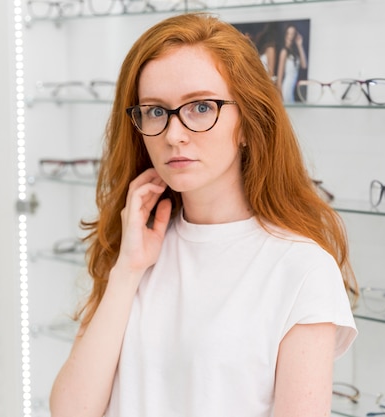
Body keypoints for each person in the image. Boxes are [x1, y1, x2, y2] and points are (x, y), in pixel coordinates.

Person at [49, 13, 357, 417]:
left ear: (248, 122)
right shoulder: (137, 247)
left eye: (200, 107)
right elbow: (71, 411)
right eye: (155, 111)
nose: (175, 134)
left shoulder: (300, 269)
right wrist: (127, 268)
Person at [276, 24, 308, 103]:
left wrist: (299, 45)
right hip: (286, 88)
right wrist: (280, 95)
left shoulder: (294, 53)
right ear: (285, 35)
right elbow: (279, 77)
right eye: (288, 33)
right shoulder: (284, 52)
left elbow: (304, 65)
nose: (290, 36)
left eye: (293, 34)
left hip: (292, 88)